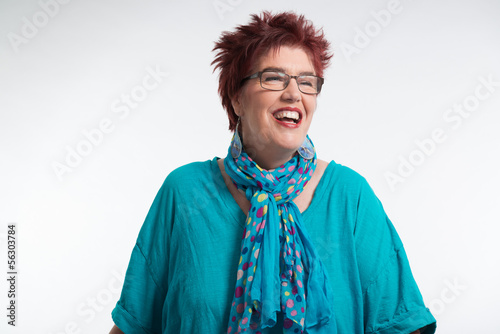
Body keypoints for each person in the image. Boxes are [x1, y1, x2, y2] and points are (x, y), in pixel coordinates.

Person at [109, 11, 436, 334]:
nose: (294, 93)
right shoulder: (184, 193)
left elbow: (402, 326)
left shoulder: (349, 197)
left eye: (307, 82)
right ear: (236, 97)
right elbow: (132, 327)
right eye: (274, 78)